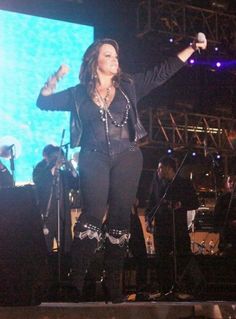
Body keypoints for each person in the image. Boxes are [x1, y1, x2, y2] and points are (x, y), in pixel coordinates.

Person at [36, 36, 207, 302]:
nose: (114, 59)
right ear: (95, 61)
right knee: (92, 214)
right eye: (108, 55)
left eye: (116, 56)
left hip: (127, 155)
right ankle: (75, 282)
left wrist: (191, 48)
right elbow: (43, 102)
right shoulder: (78, 93)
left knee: (119, 219)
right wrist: (56, 77)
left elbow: (161, 73)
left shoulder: (129, 85)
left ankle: (113, 287)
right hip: (93, 156)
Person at [145, 156, 200, 299]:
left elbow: (195, 203)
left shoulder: (183, 183)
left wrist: (181, 204)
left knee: (182, 256)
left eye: (160, 168)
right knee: (161, 258)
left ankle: (186, 287)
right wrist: (148, 219)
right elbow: (151, 202)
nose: (158, 171)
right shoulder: (157, 184)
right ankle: (164, 289)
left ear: (169, 168)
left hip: (178, 227)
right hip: (161, 228)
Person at [33, 144, 79, 254]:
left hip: (63, 216)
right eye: (55, 156)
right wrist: (54, 167)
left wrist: (71, 167)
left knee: (66, 248)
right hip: (47, 216)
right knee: (45, 248)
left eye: (60, 157)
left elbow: (76, 183)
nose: (58, 159)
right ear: (47, 156)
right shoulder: (40, 168)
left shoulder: (63, 173)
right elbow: (39, 181)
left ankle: (65, 269)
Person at [214, 174, 236, 256]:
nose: (232, 184)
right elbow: (217, 218)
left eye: (235, 181)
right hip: (226, 238)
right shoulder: (223, 198)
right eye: (230, 181)